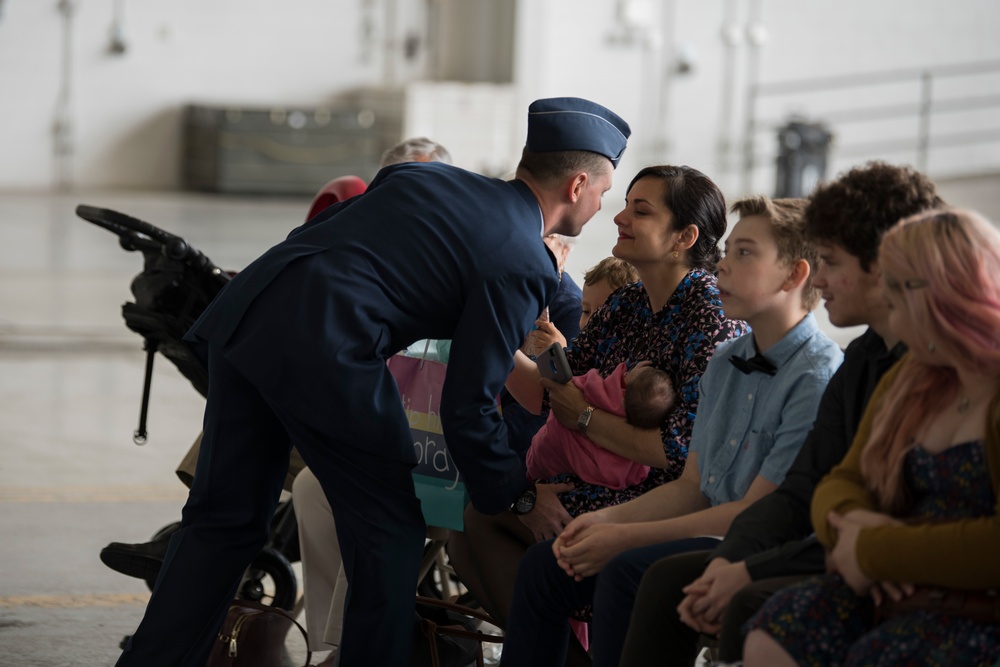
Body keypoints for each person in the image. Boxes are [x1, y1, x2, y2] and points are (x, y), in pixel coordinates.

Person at [112, 96, 631, 667]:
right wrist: (522, 495)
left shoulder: (426, 179)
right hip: (327, 350)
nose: (603, 208)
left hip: (248, 316)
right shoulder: (523, 258)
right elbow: (468, 405)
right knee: (389, 536)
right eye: (606, 193)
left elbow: (328, 238)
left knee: (221, 522)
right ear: (578, 184)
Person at [617, 161, 945, 667]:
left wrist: (743, 566)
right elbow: (815, 485)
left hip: (894, 560)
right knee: (663, 576)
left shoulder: (881, 366)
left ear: (887, 263)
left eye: (832, 260)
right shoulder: (863, 356)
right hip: (847, 545)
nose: (823, 275)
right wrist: (732, 560)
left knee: (733, 596)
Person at [498, 194, 844, 667]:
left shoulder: (817, 375)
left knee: (626, 569)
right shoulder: (727, 361)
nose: (722, 265)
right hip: (709, 528)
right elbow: (693, 487)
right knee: (548, 561)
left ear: (794, 274)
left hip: (762, 544)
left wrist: (622, 534)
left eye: (744, 253)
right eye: (729, 251)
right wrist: (606, 522)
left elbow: (759, 513)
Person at [97, 137, 454, 588]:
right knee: (261, 399)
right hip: (363, 406)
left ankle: (205, 546)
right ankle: (205, 540)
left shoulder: (443, 258)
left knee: (270, 422)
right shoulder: (365, 239)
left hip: (407, 428)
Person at [445, 165, 749, 665]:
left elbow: (675, 450)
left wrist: (583, 417)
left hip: (653, 502)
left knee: (495, 524)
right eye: (625, 203)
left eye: (641, 210)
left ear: (685, 237)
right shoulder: (627, 303)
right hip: (594, 481)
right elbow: (554, 394)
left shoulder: (710, 313)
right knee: (474, 515)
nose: (619, 217)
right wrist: (489, 333)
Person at [742, 208, 1000, 667]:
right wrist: (856, 524)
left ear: (940, 297)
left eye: (896, 303)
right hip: (889, 577)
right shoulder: (913, 375)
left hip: (973, 601)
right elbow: (841, 480)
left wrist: (875, 550)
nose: (894, 326)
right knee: (776, 630)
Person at [527, 361, 674, 489]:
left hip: (549, 447)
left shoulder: (612, 400)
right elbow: (631, 474)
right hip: (569, 464)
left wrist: (623, 379)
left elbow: (587, 387)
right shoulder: (637, 463)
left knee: (537, 460)